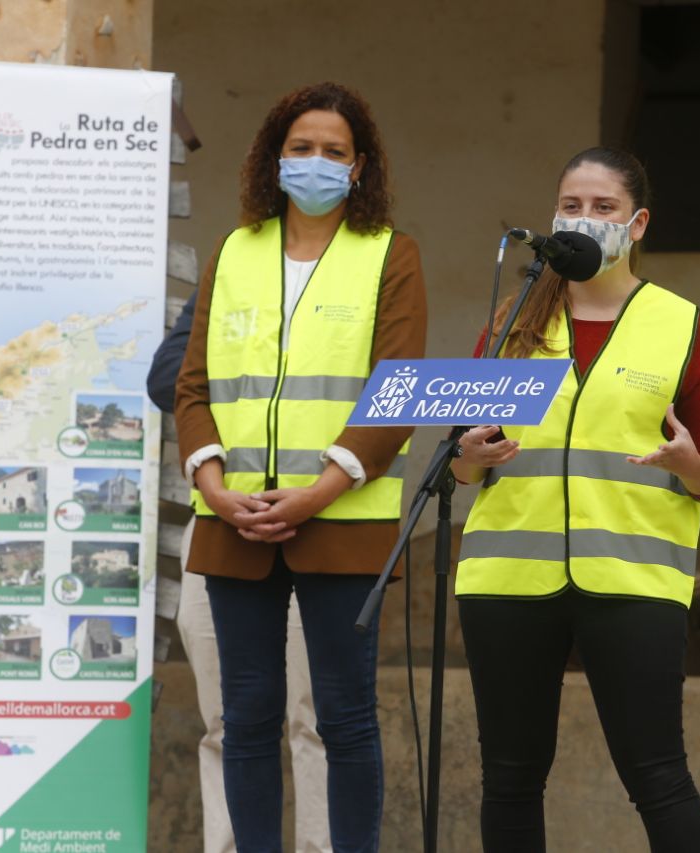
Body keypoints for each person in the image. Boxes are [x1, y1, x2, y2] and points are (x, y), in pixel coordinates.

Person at [451, 146, 700, 853]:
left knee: (658, 776)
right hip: (507, 579)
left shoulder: (683, 326)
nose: (584, 218)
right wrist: (469, 458)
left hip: (634, 581)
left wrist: (686, 461)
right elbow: (462, 466)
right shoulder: (515, 320)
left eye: (603, 207)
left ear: (637, 224)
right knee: (510, 779)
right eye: (571, 206)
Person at [173, 81, 427, 853]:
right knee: (245, 717)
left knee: (343, 717)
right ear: (274, 158)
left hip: (343, 521)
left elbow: (397, 389)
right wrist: (213, 487)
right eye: (301, 148)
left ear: (360, 169)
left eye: (334, 151)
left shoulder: (391, 252)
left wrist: (320, 491)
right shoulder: (233, 250)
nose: (315, 162)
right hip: (235, 522)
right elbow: (193, 386)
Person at [147, 293, 333, 853]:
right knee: (227, 719)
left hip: (324, 528)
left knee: (317, 717)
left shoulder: (362, 273)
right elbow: (165, 382)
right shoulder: (231, 275)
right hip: (223, 525)